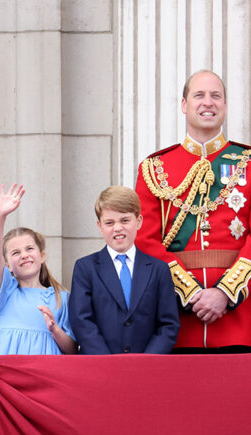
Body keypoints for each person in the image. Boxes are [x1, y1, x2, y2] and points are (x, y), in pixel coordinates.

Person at [134, 70, 251, 353]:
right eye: (199, 95)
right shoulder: (154, 168)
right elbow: (143, 239)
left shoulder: (247, 163)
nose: (208, 102)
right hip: (176, 322)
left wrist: (225, 292)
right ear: (184, 105)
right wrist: (191, 293)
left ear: (224, 105)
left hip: (239, 321)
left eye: (216, 96)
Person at [70, 186, 179, 354]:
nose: (118, 228)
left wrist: (146, 361)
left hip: (147, 366)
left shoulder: (158, 269)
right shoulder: (85, 268)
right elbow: (81, 320)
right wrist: (108, 362)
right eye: (109, 223)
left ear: (139, 221)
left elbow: (168, 324)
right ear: (100, 226)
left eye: (125, 220)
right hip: (100, 366)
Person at [0, 184, 76, 355]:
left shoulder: (61, 298)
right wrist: (0, 216)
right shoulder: (6, 293)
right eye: (15, 252)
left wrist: (55, 329)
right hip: (11, 372)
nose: (24, 255)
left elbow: (72, 350)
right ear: (8, 267)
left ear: (42, 256)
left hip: (46, 372)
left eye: (29, 249)